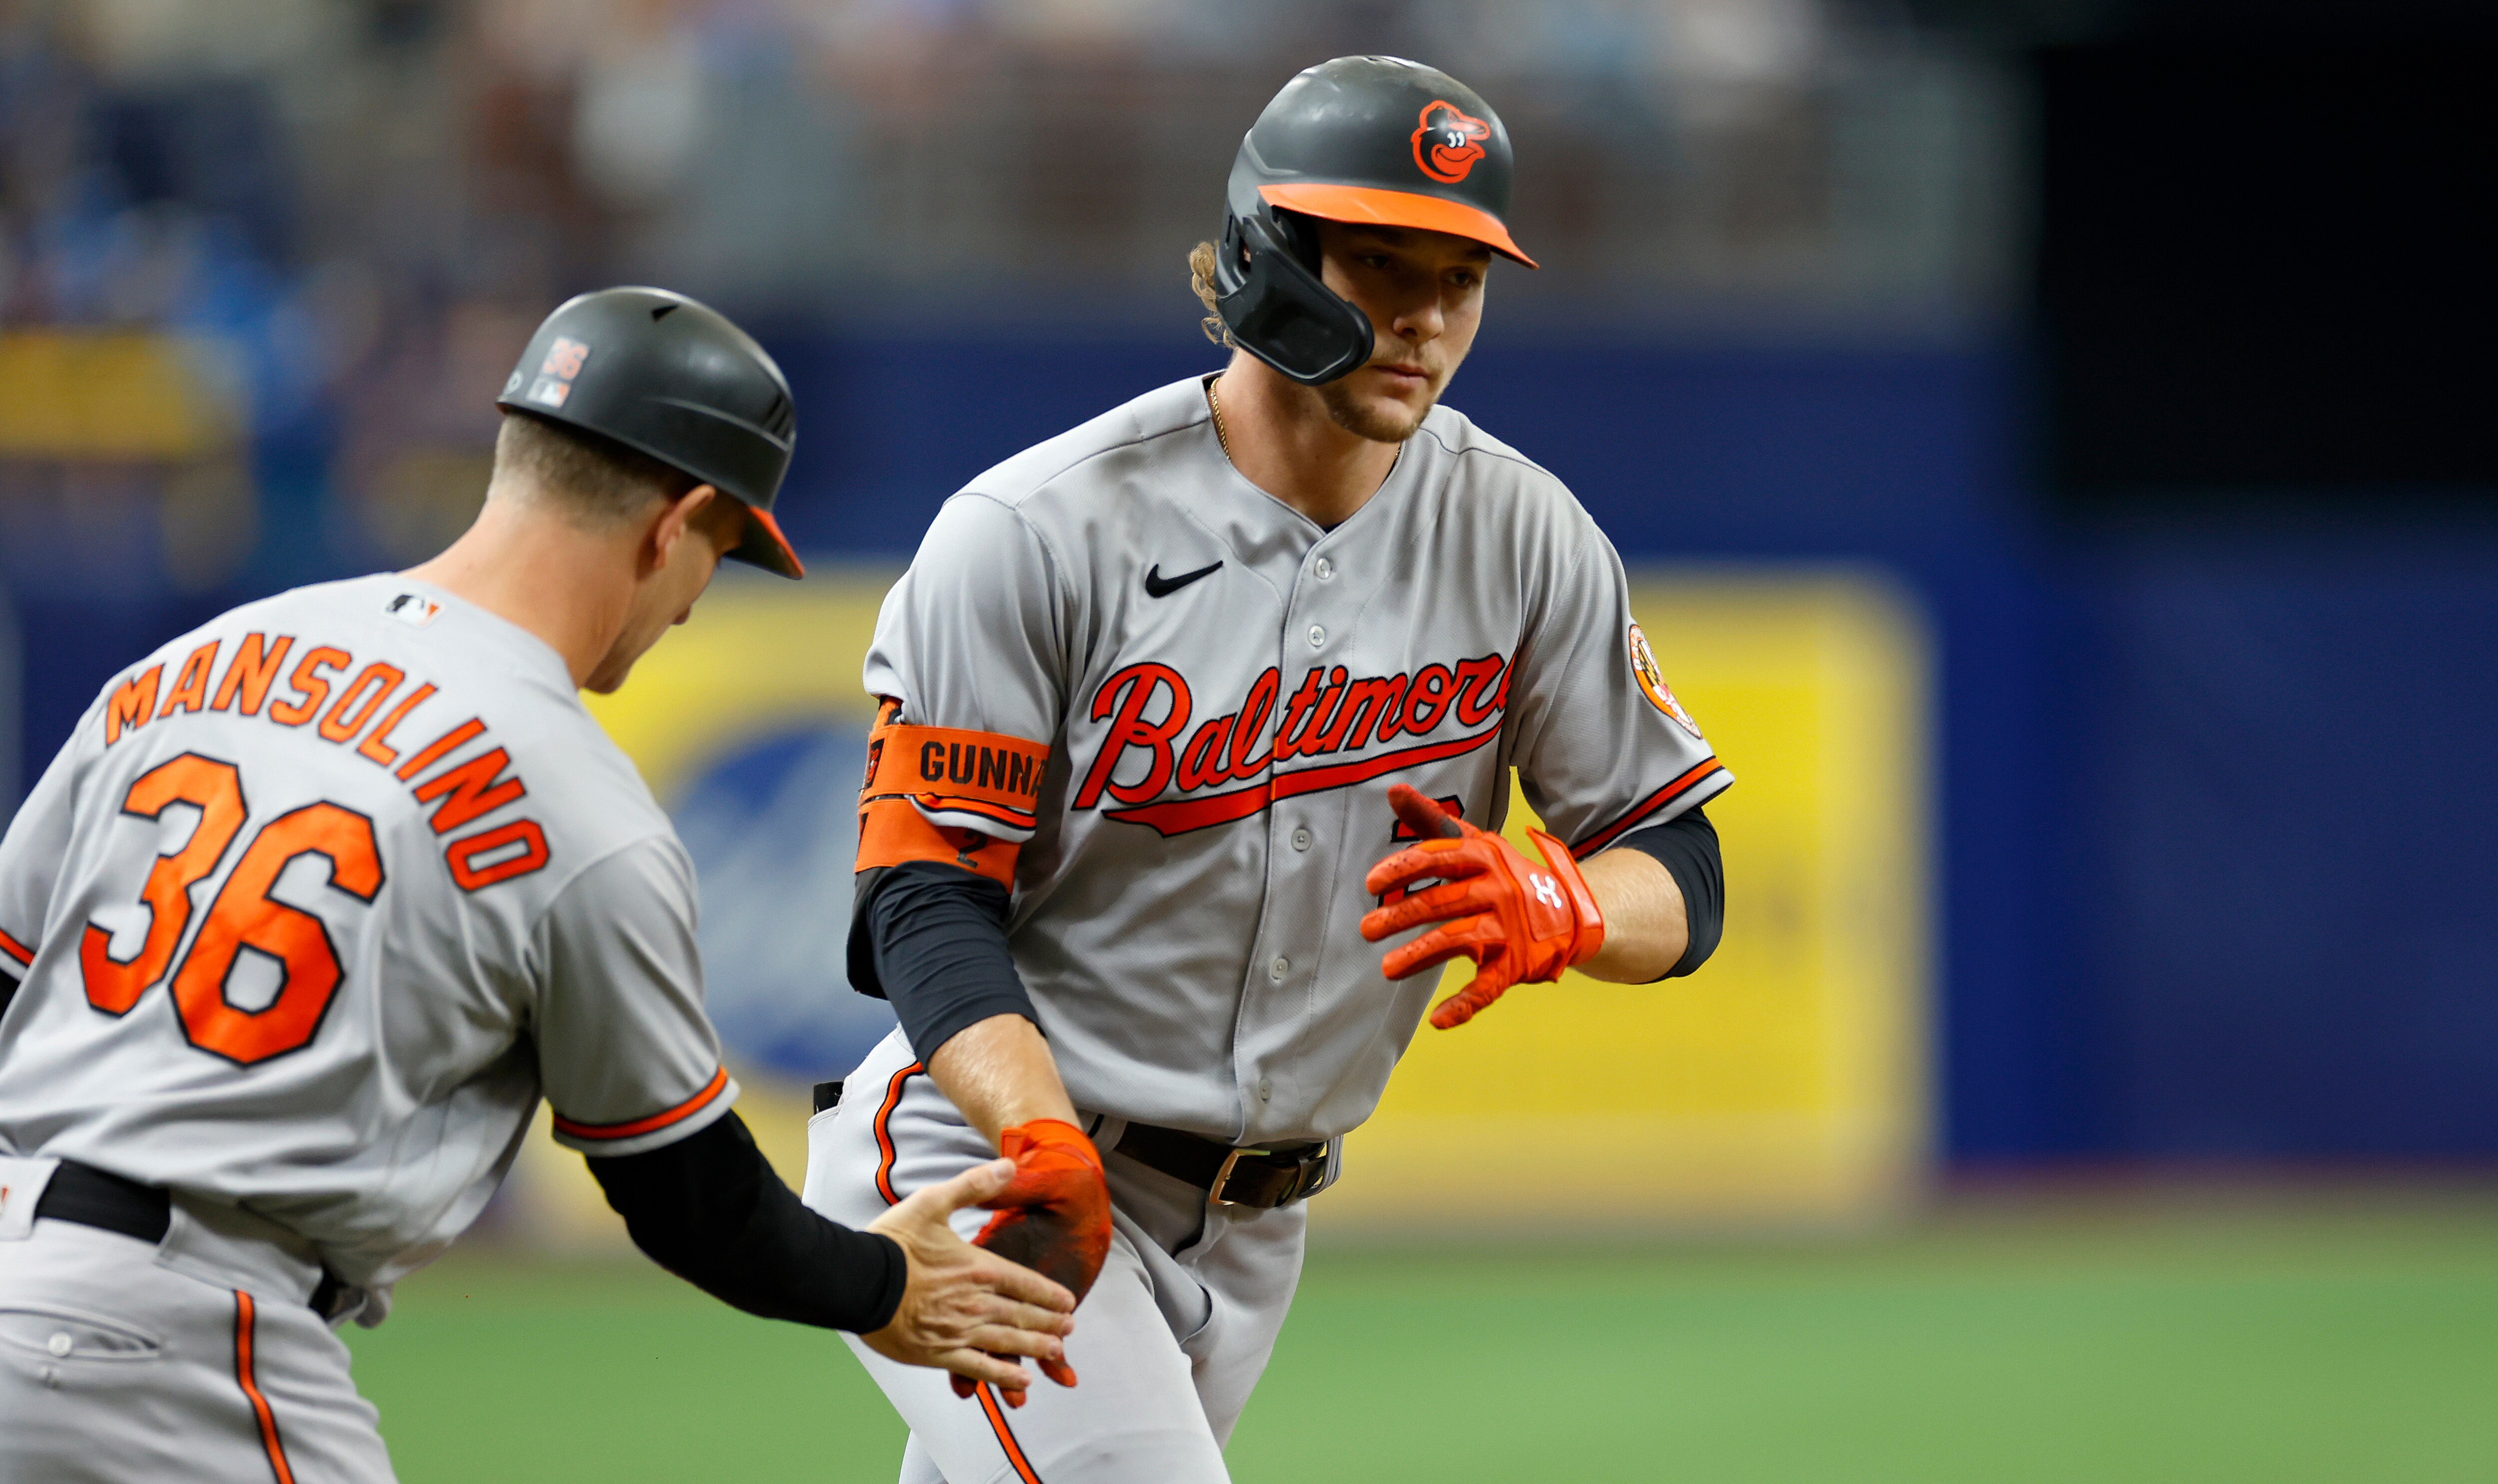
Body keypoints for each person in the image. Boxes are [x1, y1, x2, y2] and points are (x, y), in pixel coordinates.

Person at [802, 56, 1731, 1484]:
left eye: (1463, 276)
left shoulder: (1525, 536)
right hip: (992, 1162)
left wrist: (1575, 905)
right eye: (1379, 261)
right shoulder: (1038, 530)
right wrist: (1036, 1130)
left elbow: (1683, 866)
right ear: (1260, 259)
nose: (1425, 314)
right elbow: (922, 895)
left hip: (1259, 1218)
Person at [0, 287, 1076, 1484]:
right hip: (187, 1347)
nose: (696, 599)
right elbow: (689, 1196)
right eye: (721, 555)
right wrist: (882, 1283)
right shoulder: (577, 802)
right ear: (677, 526)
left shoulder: (192, 665)